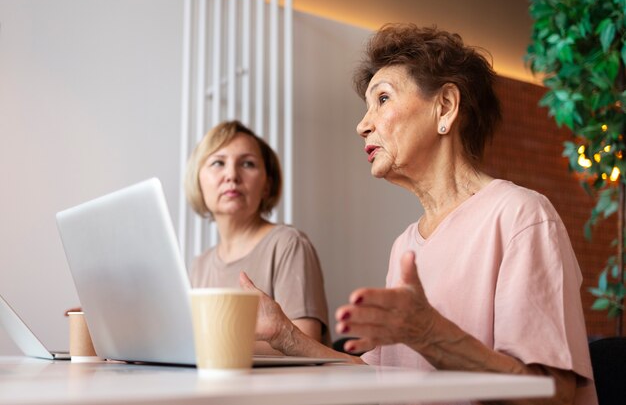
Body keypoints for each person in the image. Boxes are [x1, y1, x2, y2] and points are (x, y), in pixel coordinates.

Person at [239, 24, 597, 405]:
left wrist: (429, 334)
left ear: (445, 106)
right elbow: (381, 379)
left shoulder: (521, 216)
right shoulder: (405, 245)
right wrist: (285, 336)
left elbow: (553, 395)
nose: (362, 125)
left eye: (382, 99)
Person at [185, 120, 330, 353]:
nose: (231, 175)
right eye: (218, 163)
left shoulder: (288, 244)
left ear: (266, 185)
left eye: (248, 164)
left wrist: (210, 345)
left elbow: (306, 339)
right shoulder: (199, 265)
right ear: (199, 182)